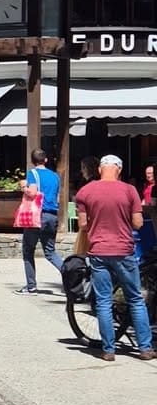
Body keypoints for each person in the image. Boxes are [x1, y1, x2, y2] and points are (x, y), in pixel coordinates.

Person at [75, 154, 154, 362]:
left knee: (103, 301)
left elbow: (83, 225)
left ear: (100, 169)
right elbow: (138, 223)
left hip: (99, 251)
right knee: (135, 299)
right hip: (124, 251)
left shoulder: (85, 191)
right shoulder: (129, 190)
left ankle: (108, 350)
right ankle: (145, 349)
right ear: (118, 170)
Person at [18, 149, 64, 294]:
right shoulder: (55, 176)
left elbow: (32, 192)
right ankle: (70, 275)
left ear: (32, 161)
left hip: (37, 215)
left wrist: (23, 186)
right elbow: (57, 198)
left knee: (28, 251)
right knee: (50, 252)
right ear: (46, 160)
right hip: (52, 215)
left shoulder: (33, 173)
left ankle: (31, 286)